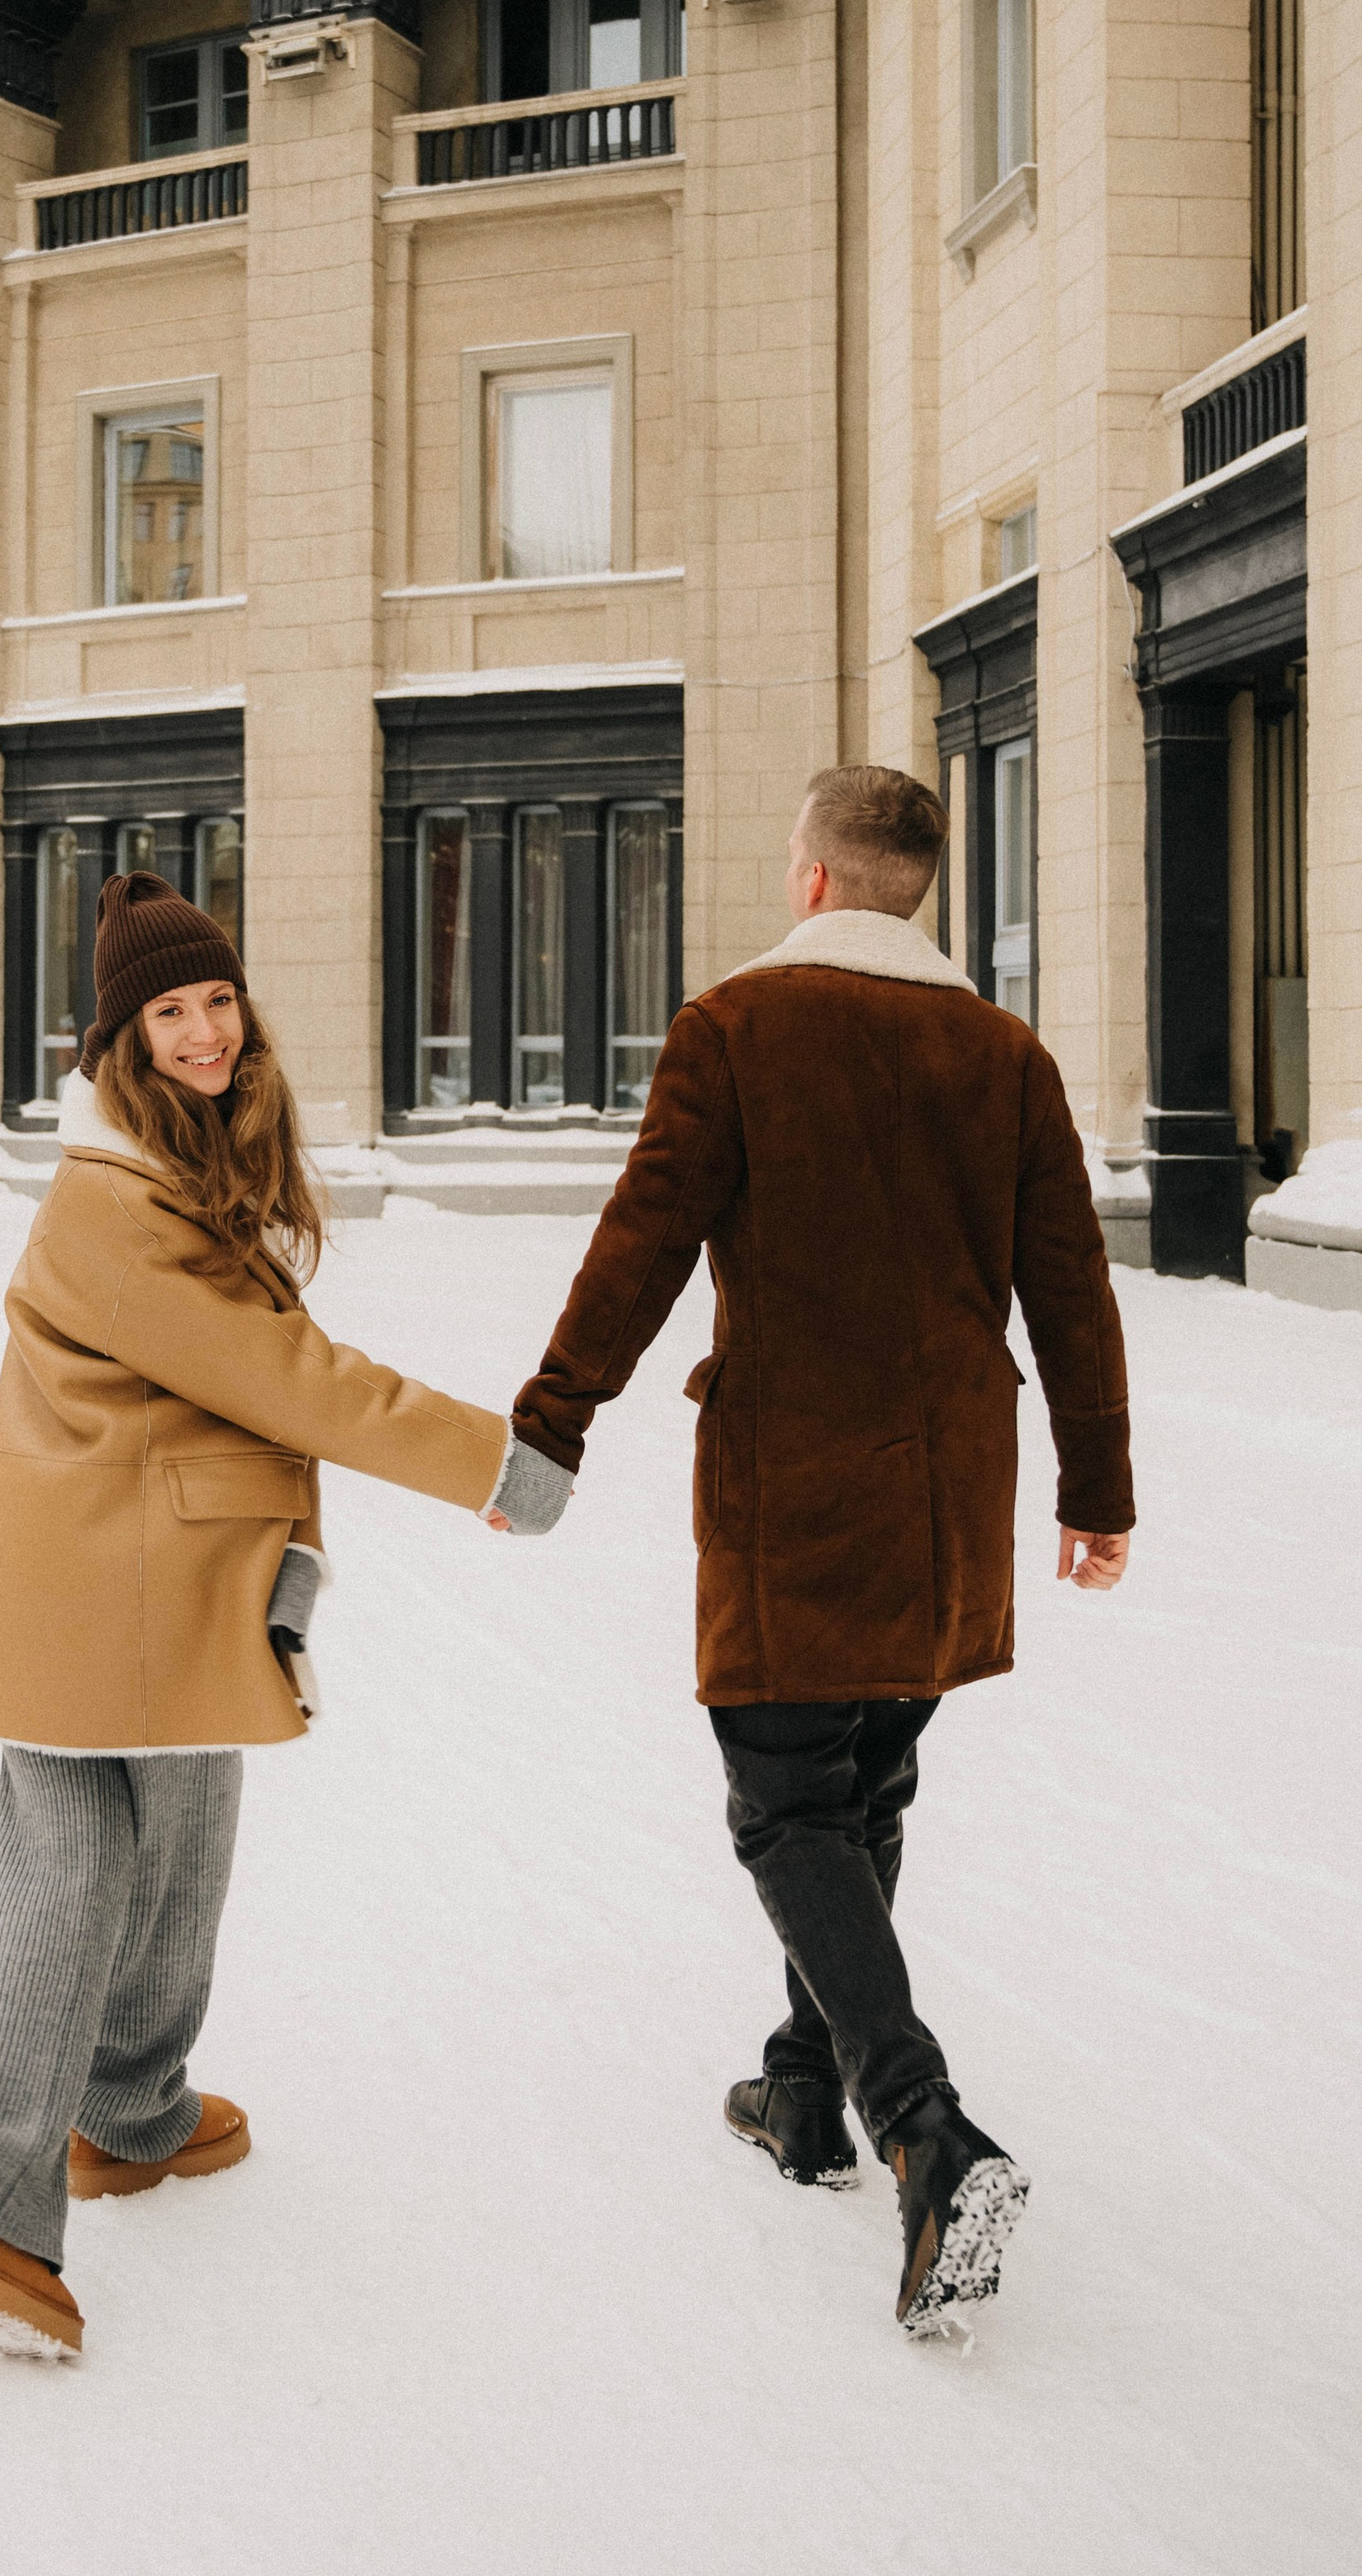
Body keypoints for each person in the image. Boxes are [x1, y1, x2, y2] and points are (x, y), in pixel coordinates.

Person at [0, 870, 570, 2359]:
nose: (202, 1033)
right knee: (75, 1856)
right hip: (92, 1577)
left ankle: (128, 2107)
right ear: (122, 1042)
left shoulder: (175, 1169)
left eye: (217, 1002)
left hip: (153, 1566)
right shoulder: (113, 1201)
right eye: (168, 1012)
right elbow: (287, 1377)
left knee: (186, 1819)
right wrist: (489, 1461)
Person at [511, 766, 1134, 2339]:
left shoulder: (736, 1030)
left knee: (787, 1801)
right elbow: (1073, 1288)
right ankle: (802, 2093)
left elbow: (643, 1241)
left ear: (811, 881)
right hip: (946, 1496)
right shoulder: (1005, 1052)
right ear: (912, 891)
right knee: (864, 1787)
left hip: (794, 1482)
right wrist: (1097, 1490)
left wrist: (553, 1418)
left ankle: (923, 2129)